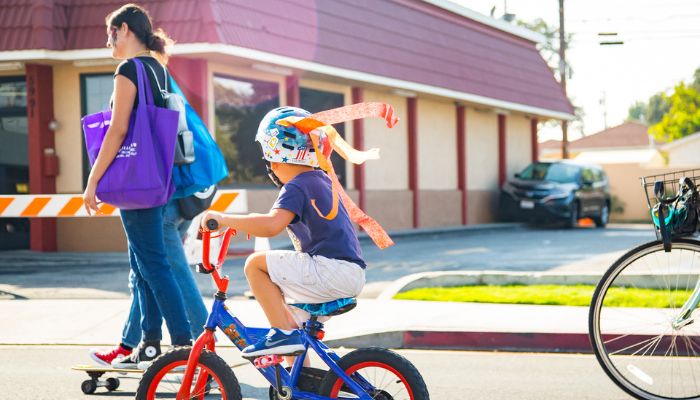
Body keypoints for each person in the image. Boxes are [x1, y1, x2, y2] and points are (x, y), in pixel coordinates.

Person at [201, 107, 366, 357]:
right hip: (348, 273)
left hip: (330, 271)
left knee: (255, 265)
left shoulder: (297, 185)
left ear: (274, 157)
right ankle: (300, 385)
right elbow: (271, 221)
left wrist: (223, 219)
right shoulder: (319, 180)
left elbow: (270, 225)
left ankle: (282, 334)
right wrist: (246, 224)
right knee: (291, 325)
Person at [83, 3, 192, 368]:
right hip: (156, 178)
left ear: (124, 29)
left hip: (136, 182)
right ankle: (149, 342)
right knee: (144, 264)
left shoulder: (129, 68)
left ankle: (184, 348)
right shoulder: (158, 69)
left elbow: (117, 130)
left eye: (110, 33)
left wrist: (93, 179)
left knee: (154, 266)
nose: (108, 40)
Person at [89, 199, 208, 369]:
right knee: (143, 275)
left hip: (159, 204)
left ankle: (194, 346)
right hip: (173, 201)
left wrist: (93, 182)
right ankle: (140, 345)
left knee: (162, 273)